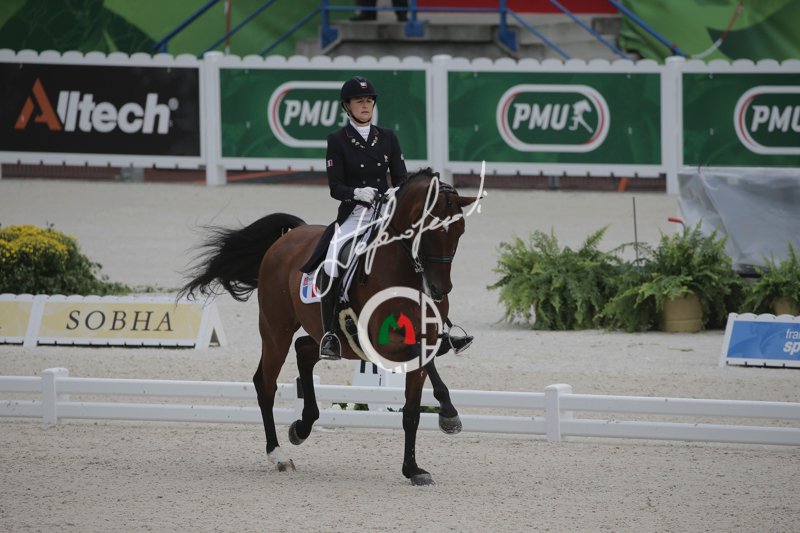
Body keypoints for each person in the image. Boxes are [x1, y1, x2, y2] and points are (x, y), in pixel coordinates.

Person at [310, 75, 472, 360]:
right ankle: (330, 334)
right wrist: (356, 193)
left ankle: (442, 327)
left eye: (368, 101)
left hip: (386, 210)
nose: (365, 106)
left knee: (422, 251)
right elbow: (336, 187)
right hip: (356, 213)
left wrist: (396, 194)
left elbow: (400, 178)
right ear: (347, 106)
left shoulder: (387, 137)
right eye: (359, 101)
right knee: (333, 261)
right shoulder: (337, 141)